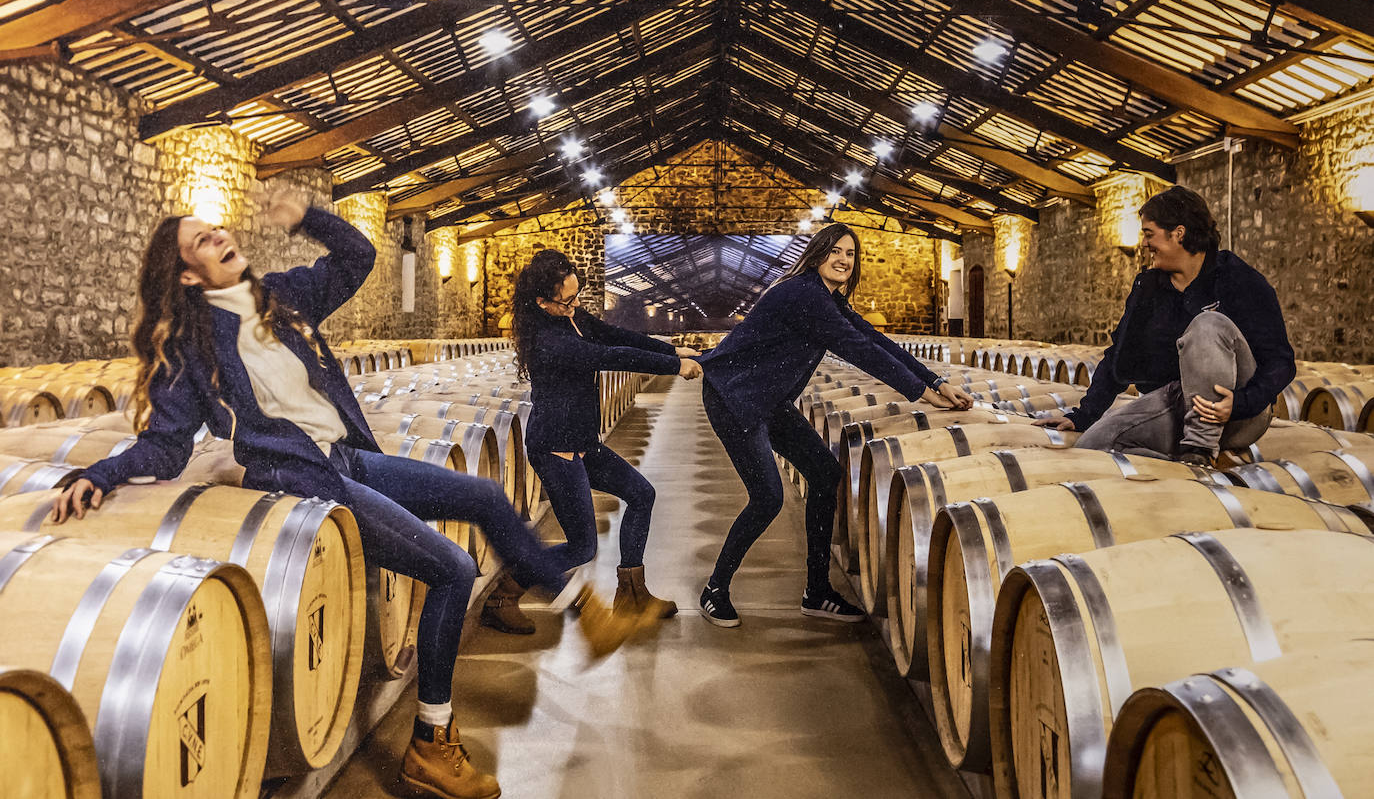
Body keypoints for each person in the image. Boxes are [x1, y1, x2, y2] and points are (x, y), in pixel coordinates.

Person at [48, 190, 649, 799]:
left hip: (347, 456)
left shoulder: (280, 296)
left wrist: (308, 216)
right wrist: (101, 473)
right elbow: (168, 445)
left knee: (485, 496)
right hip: (302, 482)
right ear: (184, 272)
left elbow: (357, 255)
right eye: (202, 239)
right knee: (452, 567)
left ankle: (578, 603)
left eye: (219, 228)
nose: (221, 236)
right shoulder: (192, 344)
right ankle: (430, 743)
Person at [695, 222, 974, 628]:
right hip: (733, 396)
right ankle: (715, 589)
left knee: (826, 474)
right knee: (768, 497)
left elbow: (875, 339)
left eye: (850, 253)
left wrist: (935, 381)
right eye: (835, 251)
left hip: (766, 398)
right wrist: (922, 393)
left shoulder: (826, 299)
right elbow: (861, 352)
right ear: (817, 253)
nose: (844, 260)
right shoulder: (803, 294)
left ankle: (817, 590)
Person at [480, 250, 703, 634]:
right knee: (582, 547)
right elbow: (608, 355)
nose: (575, 305)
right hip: (555, 447)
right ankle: (503, 594)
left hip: (583, 442)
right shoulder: (548, 339)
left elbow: (617, 336)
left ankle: (632, 595)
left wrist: (671, 349)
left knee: (641, 494)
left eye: (576, 296)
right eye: (566, 300)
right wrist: (672, 367)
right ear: (541, 301)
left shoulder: (571, 319)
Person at [1034, 185, 1296, 464]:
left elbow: (1281, 362)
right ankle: (1187, 469)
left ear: (1178, 233)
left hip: (1240, 411)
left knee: (1207, 324)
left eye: (1149, 234)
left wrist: (1241, 403)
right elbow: (1119, 356)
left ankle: (1201, 449)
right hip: (1177, 402)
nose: (1144, 244)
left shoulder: (1236, 279)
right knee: (1094, 447)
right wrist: (1084, 415)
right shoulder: (1148, 287)